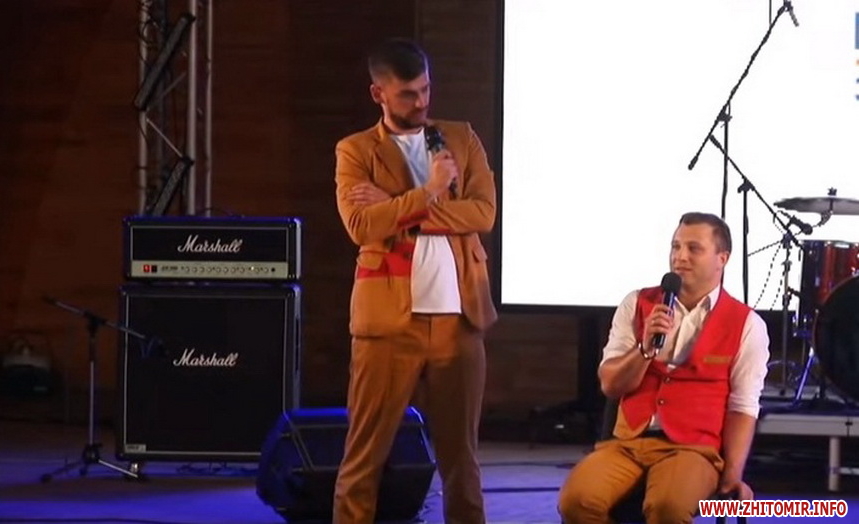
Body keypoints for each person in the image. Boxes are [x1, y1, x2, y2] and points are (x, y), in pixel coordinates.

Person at [331, 37, 498, 524]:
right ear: (378, 94)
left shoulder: (461, 138)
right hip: (388, 323)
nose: (421, 101)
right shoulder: (356, 150)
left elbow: (483, 213)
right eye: (408, 94)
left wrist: (398, 208)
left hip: (459, 319)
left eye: (426, 89)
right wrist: (429, 192)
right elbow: (361, 225)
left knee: (462, 459)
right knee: (364, 458)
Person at [557, 212, 770, 524]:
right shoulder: (637, 303)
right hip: (628, 443)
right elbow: (611, 385)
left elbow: (743, 406)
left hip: (693, 449)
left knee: (667, 507)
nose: (680, 257)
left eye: (693, 248)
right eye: (675, 246)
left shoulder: (747, 324)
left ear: (722, 259)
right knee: (577, 502)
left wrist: (733, 474)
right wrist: (645, 349)